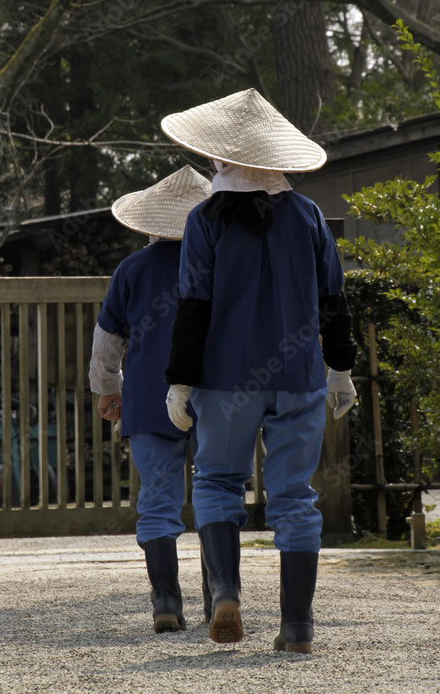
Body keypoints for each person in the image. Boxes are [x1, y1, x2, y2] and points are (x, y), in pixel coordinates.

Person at [161, 88, 358, 652]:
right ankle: (297, 624)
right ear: (275, 158)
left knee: (218, 482)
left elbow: (193, 303)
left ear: (220, 157)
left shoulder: (205, 220)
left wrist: (179, 378)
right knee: (295, 497)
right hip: (299, 375)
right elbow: (333, 297)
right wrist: (339, 368)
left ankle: (226, 592)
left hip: (224, 380)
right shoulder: (308, 215)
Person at [88, 164, 213, 634]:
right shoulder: (216, 264)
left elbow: (107, 341)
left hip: (145, 396)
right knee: (214, 495)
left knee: (157, 500)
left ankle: (165, 601)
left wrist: (107, 390)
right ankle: (219, 597)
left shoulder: (132, 269)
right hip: (214, 396)